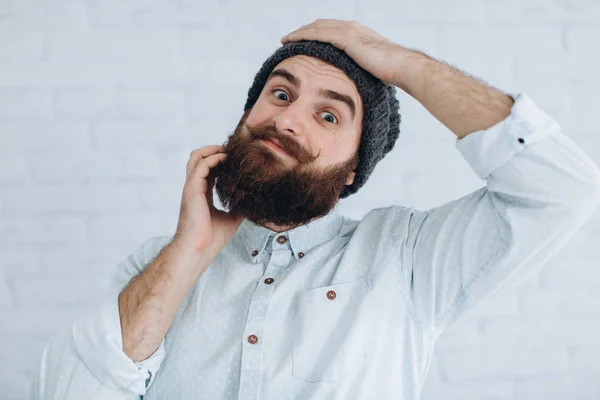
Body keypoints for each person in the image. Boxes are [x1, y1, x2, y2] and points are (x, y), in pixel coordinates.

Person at [31, 19, 600, 400]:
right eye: (280, 94)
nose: (288, 120)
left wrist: (400, 63)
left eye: (329, 116)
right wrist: (188, 255)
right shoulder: (154, 267)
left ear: (354, 168)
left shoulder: (406, 260)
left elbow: (560, 190)